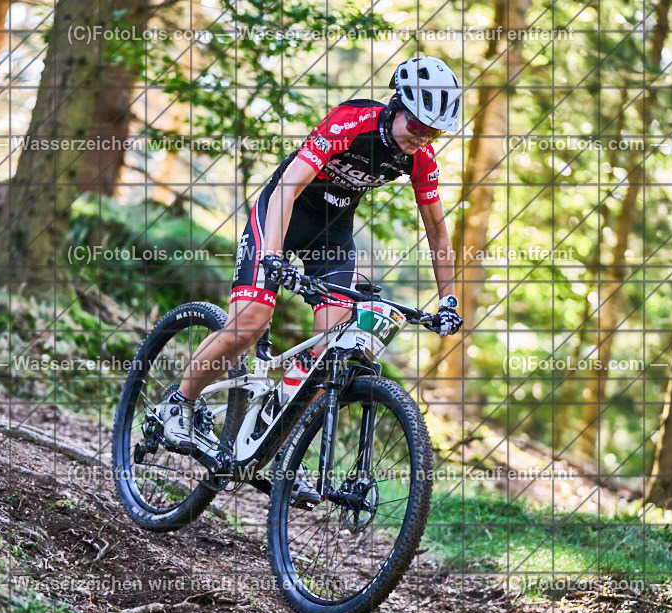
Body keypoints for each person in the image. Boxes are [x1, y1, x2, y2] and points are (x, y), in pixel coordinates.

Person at [155, 55, 465, 458]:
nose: (423, 138)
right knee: (249, 322)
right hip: (284, 210)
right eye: (419, 126)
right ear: (397, 105)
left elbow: (437, 229)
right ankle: (179, 404)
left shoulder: (419, 157)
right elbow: (287, 187)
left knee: (331, 348)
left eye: (434, 133)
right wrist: (273, 257)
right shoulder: (350, 122)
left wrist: (448, 300)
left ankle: (278, 448)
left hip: (331, 233)